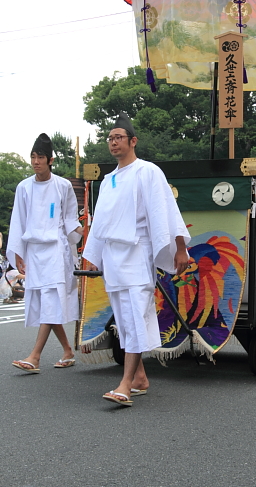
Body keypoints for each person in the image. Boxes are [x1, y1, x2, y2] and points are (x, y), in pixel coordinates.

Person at [83, 111, 190, 407]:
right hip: (114, 258)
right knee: (126, 321)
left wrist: (180, 248)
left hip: (137, 253)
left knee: (134, 316)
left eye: (118, 138)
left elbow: (167, 212)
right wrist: (92, 255)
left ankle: (126, 384)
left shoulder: (148, 171)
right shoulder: (108, 180)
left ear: (133, 141)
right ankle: (140, 378)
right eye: (110, 138)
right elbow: (101, 221)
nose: (113, 143)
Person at [7, 133, 84, 373]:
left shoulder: (62, 186)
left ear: (50, 160)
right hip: (34, 252)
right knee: (45, 303)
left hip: (56, 251)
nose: (36, 161)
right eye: (33, 156)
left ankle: (35, 356)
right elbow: (18, 221)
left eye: (40, 157)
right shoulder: (24, 187)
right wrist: (18, 252)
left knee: (51, 302)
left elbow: (70, 220)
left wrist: (88, 234)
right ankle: (68, 350)